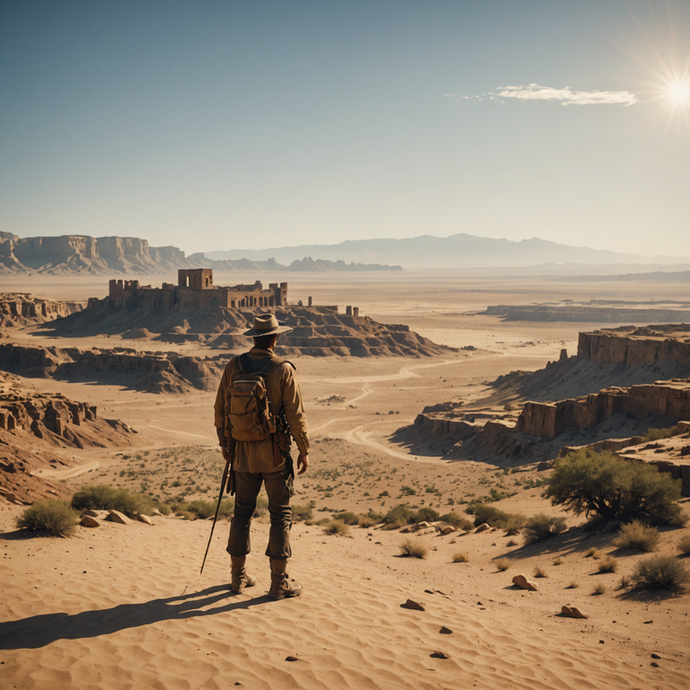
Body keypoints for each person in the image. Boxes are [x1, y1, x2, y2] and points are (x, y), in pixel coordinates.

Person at [214, 313, 309, 599]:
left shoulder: (234, 365)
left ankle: (237, 579)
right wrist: (304, 450)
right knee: (280, 514)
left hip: (241, 453)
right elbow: (296, 415)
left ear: (253, 337)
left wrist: (224, 443)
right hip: (275, 454)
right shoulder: (283, 369)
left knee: (242, 512)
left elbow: (220, 408)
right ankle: (278, 584)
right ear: (276, 338)